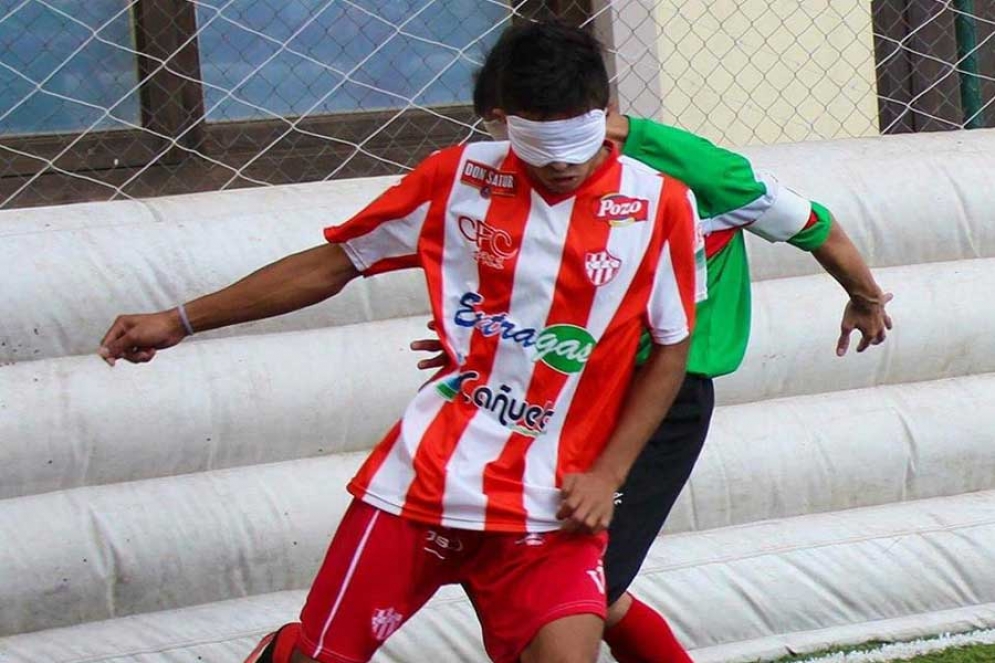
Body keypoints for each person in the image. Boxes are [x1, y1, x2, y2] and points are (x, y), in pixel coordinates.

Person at [98, 21, 702, 663]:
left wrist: (608, 471)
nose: (560, 164)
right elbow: (333, 264)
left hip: (550, 501)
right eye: (538, 143)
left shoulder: (659, 205)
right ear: (500, 121)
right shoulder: (455, 180)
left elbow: (671, 348)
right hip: (426, 483)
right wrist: (181, 319)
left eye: (575, 142)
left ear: (606, 116)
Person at [410, 29, 894, 663]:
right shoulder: (521, 174)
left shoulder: (690, 170)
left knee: (569, 591)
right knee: (556, 577)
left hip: (659, 397)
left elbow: (811, 223)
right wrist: (481, 337)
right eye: (505, 125)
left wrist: (865, 296)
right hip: (558, 396)